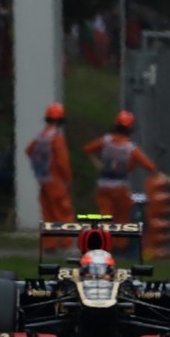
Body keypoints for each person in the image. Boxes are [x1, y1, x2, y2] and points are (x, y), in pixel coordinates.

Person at [83, 111, 158, 248]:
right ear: (130, 129)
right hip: (120, 186)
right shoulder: (131, 148)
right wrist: (155, 173)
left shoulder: (105, 141)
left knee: (105, 217)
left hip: (103, 184)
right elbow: (149, 166)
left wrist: (96, 162)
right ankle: (120, 245)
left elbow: (87, 149)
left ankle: (104, 245)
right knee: (121, 218)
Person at [26, 102, 74, 248]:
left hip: (43, 179)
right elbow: (62, 162)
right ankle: (66, 244)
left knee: (48, 213)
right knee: (64, 212)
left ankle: (49, 244)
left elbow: (29, 150)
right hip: (56, 181)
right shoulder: (57, 137)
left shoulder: (41, 135)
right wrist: (68, 179)